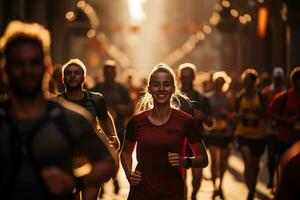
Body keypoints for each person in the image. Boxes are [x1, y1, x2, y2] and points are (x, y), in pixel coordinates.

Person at [0, 20, 115, 200]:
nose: (27, 70)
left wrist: (76, 182)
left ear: (46, 68)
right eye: (19, 64)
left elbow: (107, 164)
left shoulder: (70, 119)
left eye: (34, 62)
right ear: (5, 70)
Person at [121, 63, 208, 200]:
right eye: (156, 84)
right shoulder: (136, 121)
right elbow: (126, 151)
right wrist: (128, 173)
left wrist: (184, 161)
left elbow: (203, 159)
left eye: (166, 84)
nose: (161, 89)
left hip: (172, 193)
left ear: (173, 89)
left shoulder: (186, 121)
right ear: (149, 89)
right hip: (141, 193)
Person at [56, 58, 120, 199]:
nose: (73, 76)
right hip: (67, 163)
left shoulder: (96, 99)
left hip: (92, 161)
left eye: (77, 73)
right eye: (69, 73)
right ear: (62, 78)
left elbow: (105, 118)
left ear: (84, 78)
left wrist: (113, 137)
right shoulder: (56, 103)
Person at [92, 59, 134, 196]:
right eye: (106, 71)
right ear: (103, 73)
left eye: (111, 71)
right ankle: (102, 184)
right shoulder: (96, 88)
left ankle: (115, 180)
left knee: (115, 156)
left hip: (118, 128)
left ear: (115, 73)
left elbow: (130, 108)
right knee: (100, 157)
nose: (109, 74)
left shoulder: (122, 89)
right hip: (99, 129)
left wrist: (121, 109)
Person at [177, 63, 211, 200]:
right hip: (178, 143)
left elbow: (211, 123)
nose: (186, 80)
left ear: (194, 77)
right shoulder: (174, 98)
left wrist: (203, 117)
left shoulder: (203, 99)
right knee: (181, 180)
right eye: (183, 77)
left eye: (189, 77)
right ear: (179, 78)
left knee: (197, 178)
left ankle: (194, 195)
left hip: (196, 142)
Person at [234, 68, 268, 200]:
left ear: (254, 82)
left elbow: (268, 114)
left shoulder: (261, 96)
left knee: (255, 165)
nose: (245, 83)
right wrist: (238, 115)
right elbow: (235, 114)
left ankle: (252, 187)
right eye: (244, 80)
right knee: (248, 161)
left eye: (247, 80)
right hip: (243, 134)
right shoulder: (240, 97)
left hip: (259, 136)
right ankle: (250, 190)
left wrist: (261, 113)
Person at [205, 71, 234, 199]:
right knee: (213, 162)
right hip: (211, 133)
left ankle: (220, 186)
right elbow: (205, 116)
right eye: (216, 82)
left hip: (224, 133)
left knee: (222, 162)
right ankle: (213, 186)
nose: (218, 85)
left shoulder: (229, 97)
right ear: (213, 83)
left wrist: (226, 114)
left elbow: (234, 116)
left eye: (221, 83)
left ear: (224, 83)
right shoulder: (208, 97)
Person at [262, 67, 286, 188]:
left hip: (284, 129)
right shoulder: (266, 92)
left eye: (280, 79)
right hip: (270, 130)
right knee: (271, 156)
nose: (278, 81)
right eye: (276, 78)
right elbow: (264, 110)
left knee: (282, 157)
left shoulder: (286, 91)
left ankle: (280, 181)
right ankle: (271, 179)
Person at [268, 67, 300, 157]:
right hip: (285, 140)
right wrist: (286, 120)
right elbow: (270, 113)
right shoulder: (282, 97)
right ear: (294, 82)